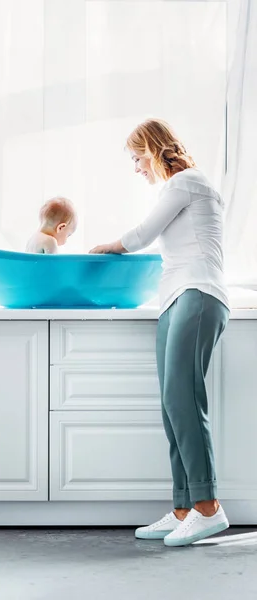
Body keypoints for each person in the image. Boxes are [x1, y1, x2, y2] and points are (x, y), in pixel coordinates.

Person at [90, 118, 230, 547]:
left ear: (153, 149)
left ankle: (208, 508)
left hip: (199, 292)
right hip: (175, 297)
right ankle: (184, 508)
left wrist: (106, 247)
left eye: (137, 158)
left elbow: (141, 236)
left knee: (182, 397)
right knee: (172, 405)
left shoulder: (187, 181)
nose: (136, 168)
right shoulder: (179, 188)